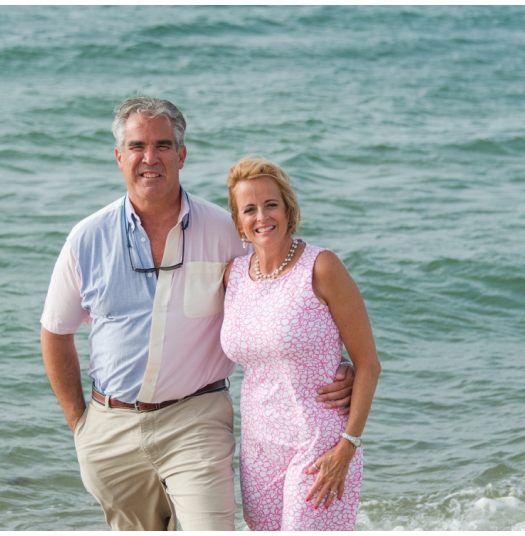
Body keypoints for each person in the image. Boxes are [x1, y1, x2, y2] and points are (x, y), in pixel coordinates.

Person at [39, 96, 356, 531]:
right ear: (119, 157)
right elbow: (55, 332)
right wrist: (82, 426)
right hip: (109, 429)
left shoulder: (226, 232)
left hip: (196, 419)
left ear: (182, 155)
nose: (150, 158)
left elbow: (286, 282)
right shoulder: (85, 239)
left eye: (163, 145)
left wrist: (334, 365)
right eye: (137, 147)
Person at [220, 156, 381, 530]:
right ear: (238, 221)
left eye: (271, 204)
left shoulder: (321, 267)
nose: (262, 216)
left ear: (288, 209)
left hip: (320, 443)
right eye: (249, 209)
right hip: (259, 450)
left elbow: (369, 363)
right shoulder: (234, 277)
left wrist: (348, 444)